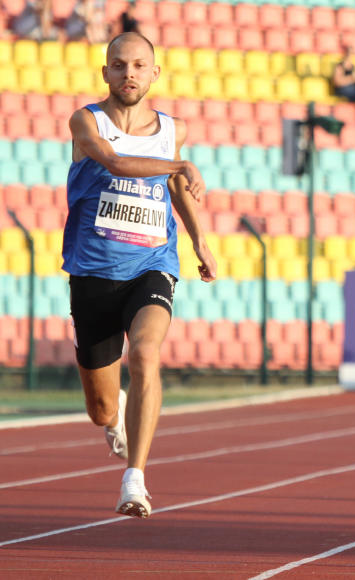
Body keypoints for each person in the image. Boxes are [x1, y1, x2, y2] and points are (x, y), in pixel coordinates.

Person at [64, 32, 217, 518]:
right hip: (92, 273)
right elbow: (114, 162)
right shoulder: (87, 121)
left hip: (152, 265)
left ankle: (135, 479)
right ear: (105, 72)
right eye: (119, 65)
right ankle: (116, 417)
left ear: (154, 74)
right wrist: (180, 163)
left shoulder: (174, 128)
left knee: (147, 353)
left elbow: (176, 188)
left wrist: (200, 241)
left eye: (138, 65)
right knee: (101, 410)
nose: (128, 73)